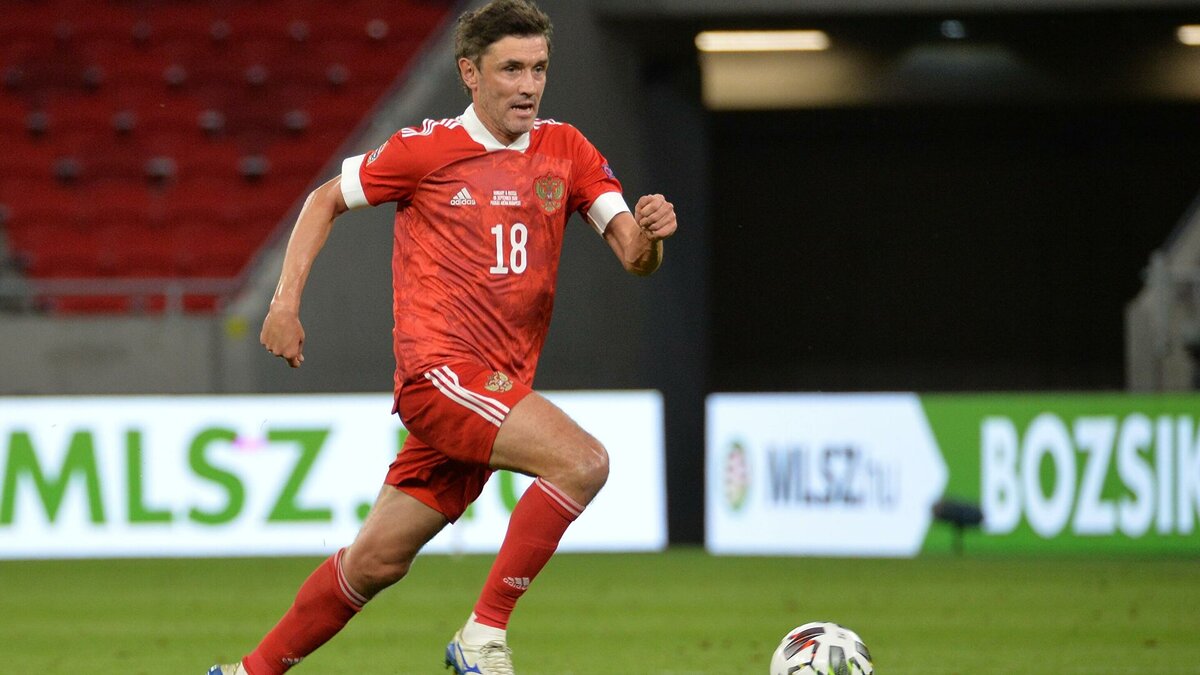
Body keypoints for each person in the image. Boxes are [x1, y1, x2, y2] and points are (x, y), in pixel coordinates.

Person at [208, 1, 677, 673]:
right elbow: (324, 199)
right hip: (442, 377)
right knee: (582, 462)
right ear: (470, 73)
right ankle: (483, 636)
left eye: (539, 68)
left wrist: (652, 236)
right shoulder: (424, 150)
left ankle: (248, 672)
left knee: (375, 561)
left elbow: (633, 254)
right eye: (511, 69)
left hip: (495, 392)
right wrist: (284, 303)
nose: (529, 86)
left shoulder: (567, 149)